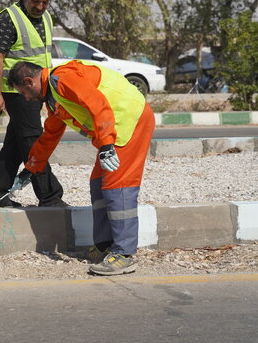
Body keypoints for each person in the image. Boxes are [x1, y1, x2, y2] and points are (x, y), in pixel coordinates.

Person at [8, 60, 155, 276]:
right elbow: (50, 135)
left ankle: (124, 254)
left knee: (117, 185)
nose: (26, 98)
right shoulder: (54, 98)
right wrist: (31, 168)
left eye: (23, 92)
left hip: (130, 120)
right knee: (98, 184)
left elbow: (98, 104)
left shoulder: (64, 79)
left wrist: (105, 145)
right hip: (115, 128)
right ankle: (105, 246)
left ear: (30, 81)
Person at [0, 0, 67, 208]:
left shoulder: (47, 18)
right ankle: (50, 196)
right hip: (18, 90)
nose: (40, 6)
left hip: (39, 87)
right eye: (35, 1)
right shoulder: (9, 18)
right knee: (32, 138)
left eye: (44, 2)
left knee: (16, 141)